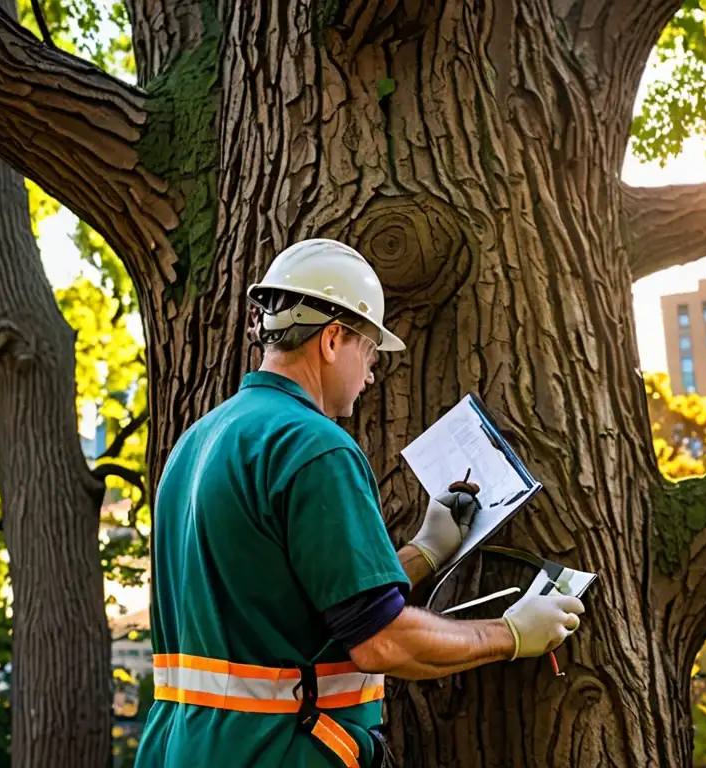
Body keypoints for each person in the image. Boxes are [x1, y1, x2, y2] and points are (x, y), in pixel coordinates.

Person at [134, 239, 585, 768]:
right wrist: (509, 634)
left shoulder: (197, 443)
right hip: (279, 752)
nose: (371, 375)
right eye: (370, 352)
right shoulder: (313, 445)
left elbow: (291, 606)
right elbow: (381, 642)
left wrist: (423, 552)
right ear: (331, 340)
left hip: (187, 749)